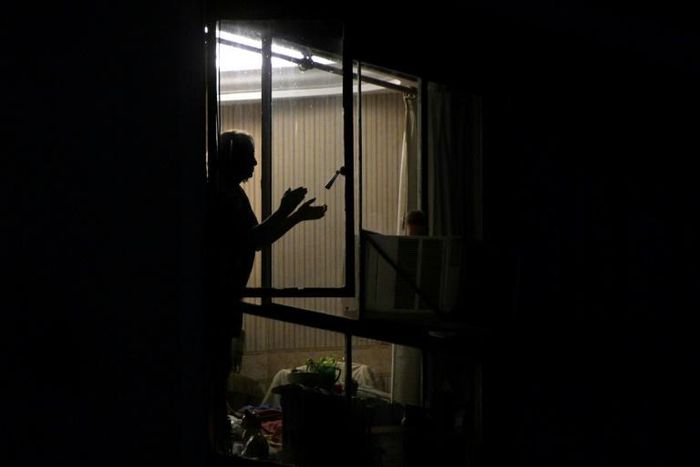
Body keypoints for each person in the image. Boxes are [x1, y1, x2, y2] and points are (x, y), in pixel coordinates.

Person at [205, 129, 327, 457]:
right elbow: (253, 240)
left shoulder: (223, 191)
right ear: (231, 156)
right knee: (214, 384)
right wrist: (290, 211)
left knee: (216, 384)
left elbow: (254, 238)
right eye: (250, 155)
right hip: (216, 307)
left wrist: (292, 213)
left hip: (222, 304)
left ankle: (215, 446)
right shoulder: (224, 194)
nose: (256, 162)